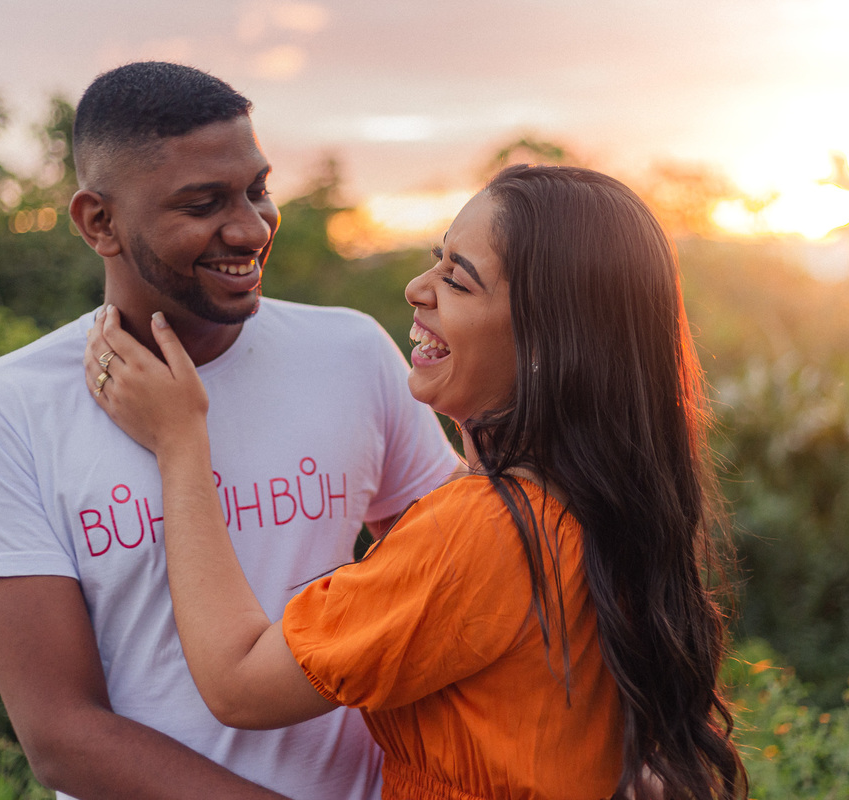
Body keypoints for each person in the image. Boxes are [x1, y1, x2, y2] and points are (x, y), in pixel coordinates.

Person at [84, 164, 748, 799]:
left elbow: (239, 685)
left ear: (547, 342)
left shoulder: (482, 528)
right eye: (438, 258)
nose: (417, 288)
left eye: (458, 282)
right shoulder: (601, 503)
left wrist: (179, 444)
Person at [0, 61, 459, 800]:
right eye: (202, 204)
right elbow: (63, 735)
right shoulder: (3, 410)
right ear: (100, 222)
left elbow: (463, 578)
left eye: (257, 189)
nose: (250, 227)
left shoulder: (351, 353)